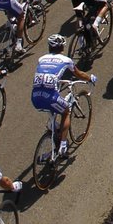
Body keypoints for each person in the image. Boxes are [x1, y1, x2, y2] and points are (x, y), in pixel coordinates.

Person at [30, 34, 95, 163]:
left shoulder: (41, 58)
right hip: (51, 96)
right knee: (66, 112)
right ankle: (63, 145)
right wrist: (90, 78)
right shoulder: (66, 60)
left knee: (53, 118)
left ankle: (53, 137)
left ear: (49, 47)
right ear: (62, 47)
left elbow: (46, 74)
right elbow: (78, 73)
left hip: (35, 97)